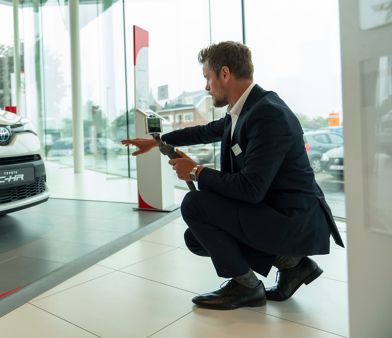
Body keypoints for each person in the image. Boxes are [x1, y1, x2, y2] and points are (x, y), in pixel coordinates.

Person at [122, 41, 344, 310]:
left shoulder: (268, 114)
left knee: (194, 205)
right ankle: (293, 264)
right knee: (196, 238)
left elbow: (251, 188)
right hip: (275, 212)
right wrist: (158, 142)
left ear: (224, 73)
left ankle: (247, 286)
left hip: (294, 220)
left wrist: (195, 171)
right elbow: (204, 131)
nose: (206, 87)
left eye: (207, 78)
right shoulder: (244, 109)